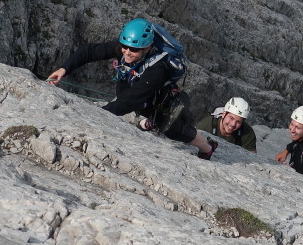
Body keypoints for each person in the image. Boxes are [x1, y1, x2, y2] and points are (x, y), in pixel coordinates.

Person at [47, 18, 219, 160]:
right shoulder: (126, 48)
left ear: (147, 48)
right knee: (125, 94)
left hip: (156, 96)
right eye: (125, 46)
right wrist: (64, 69)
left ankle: (207, 146)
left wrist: (99, 113)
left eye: (134, 50)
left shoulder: (157, 69)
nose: (127, 52)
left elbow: (130, 101)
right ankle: (145, 120)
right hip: (135, 86)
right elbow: (90, 51)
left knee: (171, 129)